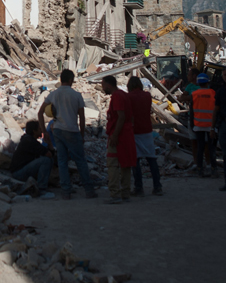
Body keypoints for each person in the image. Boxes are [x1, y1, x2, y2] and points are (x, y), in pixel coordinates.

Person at [37, 70, 96, 199]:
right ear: (71, 80)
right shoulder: (77, 95)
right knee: (80, 160)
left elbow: (40, 112)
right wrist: (82, 135)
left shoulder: (53, 94)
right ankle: (89, 190)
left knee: (62, 161)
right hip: (72, 130)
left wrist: (44, 131)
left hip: (57, 130)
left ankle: (66, 191)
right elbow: (82, 117)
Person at [101, 75, 137, 204]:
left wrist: (115, 135)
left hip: (119, 135)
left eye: (103, 85)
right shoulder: (124, 95)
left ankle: (115, 193)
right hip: (126, 133)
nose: (102, 88)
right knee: (125, 164)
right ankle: (125, 193)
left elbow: (120, 116)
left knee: (113, 164)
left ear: (109, 85)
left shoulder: (116, 97)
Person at [127, 76, 163, 197]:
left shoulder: (129, 97)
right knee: (151, 159)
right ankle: (157, 186)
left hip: (135, 131)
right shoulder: (147, 96)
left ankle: (139, 188)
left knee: (135, 160)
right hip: (147, 130)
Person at [10, 120, 56, 199]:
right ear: (34, 131)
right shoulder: (30, 141)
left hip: (21, 169)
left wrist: (49, 144)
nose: (41, 131)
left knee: (48, 160)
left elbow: (49, 153)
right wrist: (49, 143)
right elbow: (48, 154)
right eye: (39, 129)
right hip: (19, 173)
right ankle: (42, 190)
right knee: (46, 160)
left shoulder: (28, 139)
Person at [191, 73, 219, 177]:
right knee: (211, 148)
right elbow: (217, 109)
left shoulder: (194, 94)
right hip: (211, 125)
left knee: (200, 148)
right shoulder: (213, 93)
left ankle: (200, 170)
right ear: (208, 82)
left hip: (198, 124)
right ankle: (213, 169)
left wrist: (192, 124)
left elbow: (192, 111)